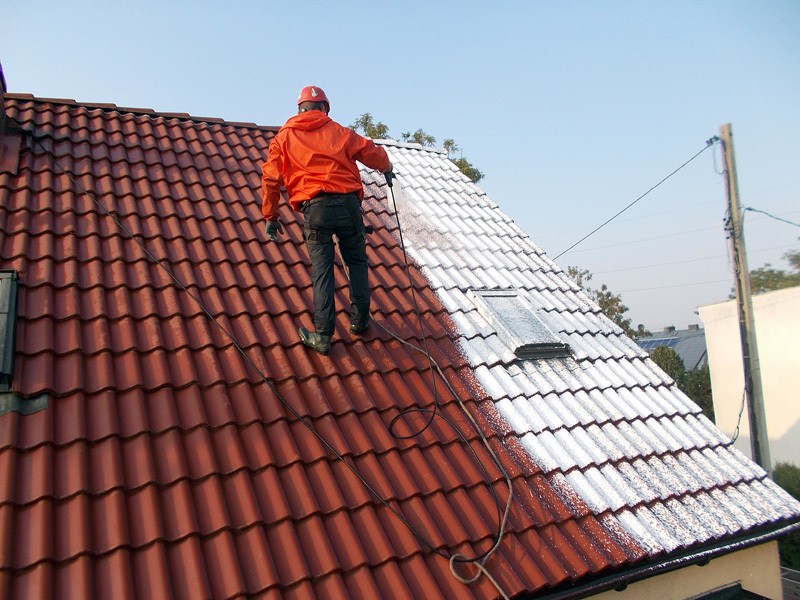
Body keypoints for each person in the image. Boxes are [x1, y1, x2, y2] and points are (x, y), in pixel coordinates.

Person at [261, 85, 393, 355]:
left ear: (300, 109)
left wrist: (271, 217)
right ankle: (359, 321)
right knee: (356, 262)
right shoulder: (340, 132)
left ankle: (322, 336)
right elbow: (371, 152)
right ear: (324, 108)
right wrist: (387, 168)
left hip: (315, 208)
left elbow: (271, 179)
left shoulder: (284, 137)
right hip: (348, 205)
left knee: (322, 271)